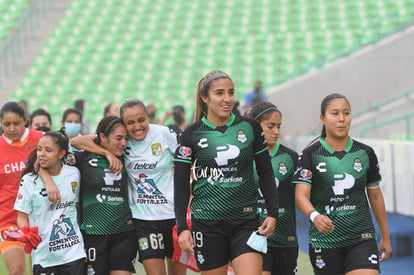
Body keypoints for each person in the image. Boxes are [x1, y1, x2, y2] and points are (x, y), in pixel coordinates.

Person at [174, 70, 279, 275]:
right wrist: (182, 228)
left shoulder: (250, 127)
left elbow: (266, 172)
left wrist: (272, 212)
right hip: (207, 224)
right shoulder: (190, 134)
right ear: (205, 98)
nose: (227, 99)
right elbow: (179, 184)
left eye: (231, 93)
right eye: (220, 93)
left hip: (245, 221)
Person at [71, 99, 186, 275]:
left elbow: (189, 159)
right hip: (143, 220)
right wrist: (107, 153)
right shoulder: (123, 141)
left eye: (141, 120)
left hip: (173, 217)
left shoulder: (164, 134)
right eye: (130, 122)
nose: (137, 127)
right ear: (123, 123)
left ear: (148, 117)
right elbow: (77, 141)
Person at [293, 93, 392, 275]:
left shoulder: (365, 153)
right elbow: (301, 195)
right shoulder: (310, 155)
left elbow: (375, 196)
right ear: (323, 118)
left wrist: (385, 236)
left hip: (361, 237)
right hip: (324, 241)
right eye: (335, 113)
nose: (341, 119)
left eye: (346, 113)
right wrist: (315, 216)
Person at [43, 116, 137, 275]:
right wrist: (106, 153)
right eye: (118, 138)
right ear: (102, 137)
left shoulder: (127, 155)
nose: (123, 143)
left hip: (124, 232)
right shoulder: (83, 157)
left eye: (125, 138)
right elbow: (68, 146)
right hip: (93, 234)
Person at [14, 130, 86, 274]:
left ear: (61, 154)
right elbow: (21, 217)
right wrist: (27, 234)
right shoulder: (29, 180)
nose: (41, 154)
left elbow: (76, 206)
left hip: (74, 253)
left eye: (48, 150)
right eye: (39, 149)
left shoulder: (74, 174)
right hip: (44, 257)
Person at [247, 102, 298, 275]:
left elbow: (304, 195)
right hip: (255, 237)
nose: (276, 131)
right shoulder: (244, 157)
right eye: (270, 126)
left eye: (278, 126)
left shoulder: (291, 158)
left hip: (286, 238)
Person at [0, 101, 43, 275]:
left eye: (16, 123)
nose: (11, 128)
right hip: (9, 219)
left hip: (40, 217)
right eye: (6, 124)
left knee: (39, 270)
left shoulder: (41, 138)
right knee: (16, 271)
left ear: (25, 120)